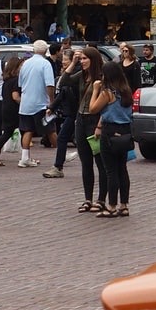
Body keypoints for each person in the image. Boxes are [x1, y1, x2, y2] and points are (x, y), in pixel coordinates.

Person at [94, 60, 134, 217]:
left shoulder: (107, 92)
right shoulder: (125, 90)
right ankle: (124, 204)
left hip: (110, 131)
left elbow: (93, 108)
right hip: (124, 130)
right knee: (122, 168)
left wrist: (96, 90)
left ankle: (111, 205)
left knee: (111, 171)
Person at [74, 47, 109, 213]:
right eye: (81, 59)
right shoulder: (82, 76)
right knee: (85, 162)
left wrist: (100, 125)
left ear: (93, 60)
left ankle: (101, 199)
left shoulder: (101, 79)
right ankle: (87, 199)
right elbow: (64, 81)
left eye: (84, 59)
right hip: (81, 119)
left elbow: (108, 104)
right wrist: (73, 62)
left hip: (94, 121)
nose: (82, 62)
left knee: (101, 162)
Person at [15, 40, 55, 169]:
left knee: (28, 130)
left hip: (26, 103)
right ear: (45, 51)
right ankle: (61, 154)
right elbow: (49, 84)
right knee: (50, 129)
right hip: (40, 103)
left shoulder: (25, 64)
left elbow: (20, 84)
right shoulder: (45, 64)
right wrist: (52, 100)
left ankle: (24, 158)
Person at [43, 45, 82, 178]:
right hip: (71, 113)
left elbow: (67, 85)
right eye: (63, 59)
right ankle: (58, 167)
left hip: (79, 113)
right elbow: (62, 93)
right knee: (63, 138)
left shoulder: (77, 74)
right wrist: (52, 107)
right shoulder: (68, 73)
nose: (63, 61)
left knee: (85, 142)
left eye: (66, 59)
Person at [0, 56, 23, 166]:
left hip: (5, 108)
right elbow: (15, 96)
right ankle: (26, 156)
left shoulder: (6, 81)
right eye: (20, 66)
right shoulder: (16, 80)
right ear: (15, 67)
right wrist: (24, 103)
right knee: (26, 130)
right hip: (13, 110)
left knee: (7, 133)